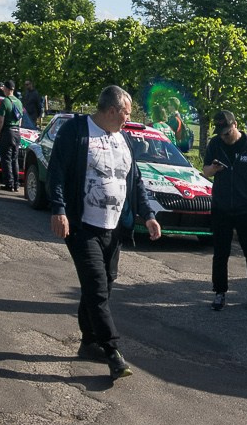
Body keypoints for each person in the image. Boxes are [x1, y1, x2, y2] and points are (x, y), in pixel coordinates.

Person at [46, 85, 162, 379]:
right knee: (97, 288)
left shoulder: (123, 138)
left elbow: (134, 181)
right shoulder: (76, 131)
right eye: (126, 113)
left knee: (103, 286)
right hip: (83, 226)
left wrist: (148, 215)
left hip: (114, 228)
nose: (128, 118)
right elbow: (56, 171)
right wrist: (58, 209)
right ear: (112, 110)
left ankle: (88, 342)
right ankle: (112, 351)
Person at [199, 110, 247, 310]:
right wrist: (213, 169)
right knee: (220, 253)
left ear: (235, 125)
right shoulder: (215, 144)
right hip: (222, 207)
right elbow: (205, 171)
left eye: (227, 132)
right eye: (221, 133)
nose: (224, 137)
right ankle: (219, 293)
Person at [0, 82, 26, 192]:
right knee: (14, 159)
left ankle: (9, 183)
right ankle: (16, 184)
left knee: (6, 159)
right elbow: (20, 120)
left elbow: (0, 120)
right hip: (17, 132)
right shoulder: (19, 102)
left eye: (4, 87)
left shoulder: (5, 101)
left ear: (7, 89)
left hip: (7, 132)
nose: (3, 89)